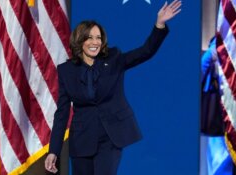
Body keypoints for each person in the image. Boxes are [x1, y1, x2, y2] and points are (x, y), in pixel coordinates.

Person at [44, 1, 182, 174]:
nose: (95, 42)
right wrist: (53, 150)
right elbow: (62, 113)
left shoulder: (114, 59)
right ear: (80, 41)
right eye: (90, 37)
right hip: (82, 140)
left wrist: (159, 24)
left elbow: (145, 51)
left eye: (98, 38)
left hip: (110, 138)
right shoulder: (66, 71)